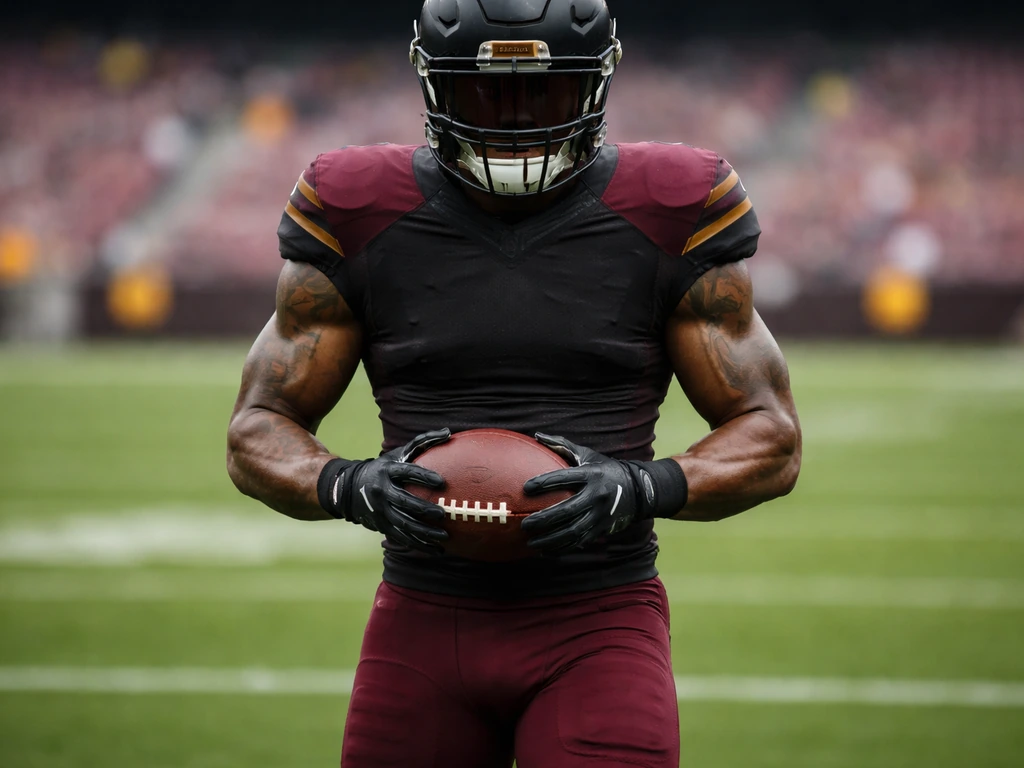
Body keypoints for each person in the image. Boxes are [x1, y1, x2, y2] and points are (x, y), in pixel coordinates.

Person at [226, 0, 802, 765]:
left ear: (597, 84)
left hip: (598, 619)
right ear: (434, 85)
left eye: (544, 91)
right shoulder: (358, 208)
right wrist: (347, 484)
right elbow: (256, 427)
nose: (516, 119)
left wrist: (639, 485)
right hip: (422, 618)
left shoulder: (671, 206)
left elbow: (771, 436)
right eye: (487, 91)